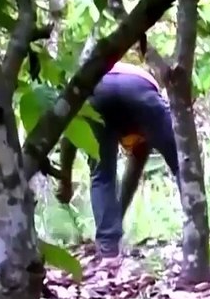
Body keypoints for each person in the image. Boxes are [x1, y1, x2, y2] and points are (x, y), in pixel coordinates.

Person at [58, 59, 179, 258]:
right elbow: (133, 173)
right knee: (182, 164)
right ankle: (198, 237)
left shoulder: (138, 139)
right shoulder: (143, 127)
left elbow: (69, 135)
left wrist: (65, 180)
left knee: (102, 174)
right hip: (138, 89)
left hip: (98, 91)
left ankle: (108, 251)